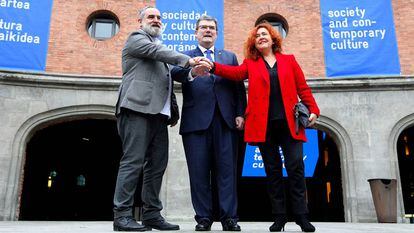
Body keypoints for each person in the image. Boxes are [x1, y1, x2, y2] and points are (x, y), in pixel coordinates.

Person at [204, 23, 320, 232]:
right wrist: (213, 66)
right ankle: (279, 217)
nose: (261, 37)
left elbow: (302, 87)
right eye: (257, 36)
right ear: (254, 43)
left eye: (265, 34)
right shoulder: (251, 63)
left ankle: (301, 216)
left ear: (273, 39)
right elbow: (235, 73)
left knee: (296, 169)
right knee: (273, 171)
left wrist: (313, 109)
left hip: (289, 125)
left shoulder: (289, 60)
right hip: (264, 126)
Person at [113, 6, 210, 232]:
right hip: (136, 108)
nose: (156, 20)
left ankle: (151, 215)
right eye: (151, 17)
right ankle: (122, 215)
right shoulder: (137, 39)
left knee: (157, 166)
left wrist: (190, 78)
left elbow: (169, 77)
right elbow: (161, 55)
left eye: (159, 17)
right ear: (141, 22)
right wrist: (190, 60)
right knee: (132, 162)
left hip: (159, 115)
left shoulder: (160, 49)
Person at [171, 15, 247, 231]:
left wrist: (241, 113)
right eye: (203, 28)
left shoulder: (229, 57)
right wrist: (192, 71)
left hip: (226, 122)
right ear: (196, 33)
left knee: (227, 173)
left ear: (216, 33)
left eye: (211, 28)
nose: (207, 31)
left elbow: (238, 88)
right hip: (196, 124)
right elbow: (174, 72)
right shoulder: (186, 56)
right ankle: (203, 218)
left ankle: (229, 218)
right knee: (199, 173)